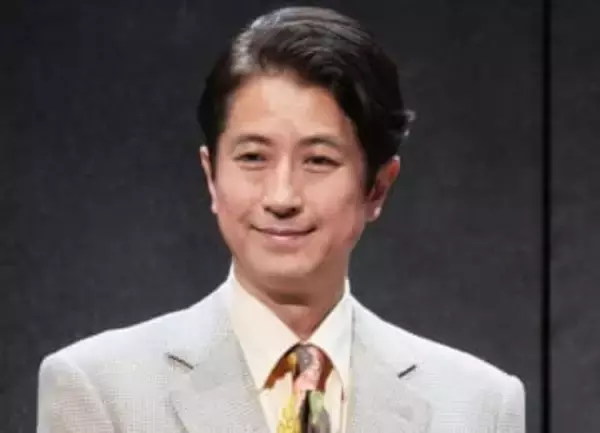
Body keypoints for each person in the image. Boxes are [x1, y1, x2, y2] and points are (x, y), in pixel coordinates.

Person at [36, 6, 525, 433]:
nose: (282, 196)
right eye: (253, 157)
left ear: (378, 186)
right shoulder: (101, 390)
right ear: (211, 176)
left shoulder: (478, 406)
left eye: (319, 160)